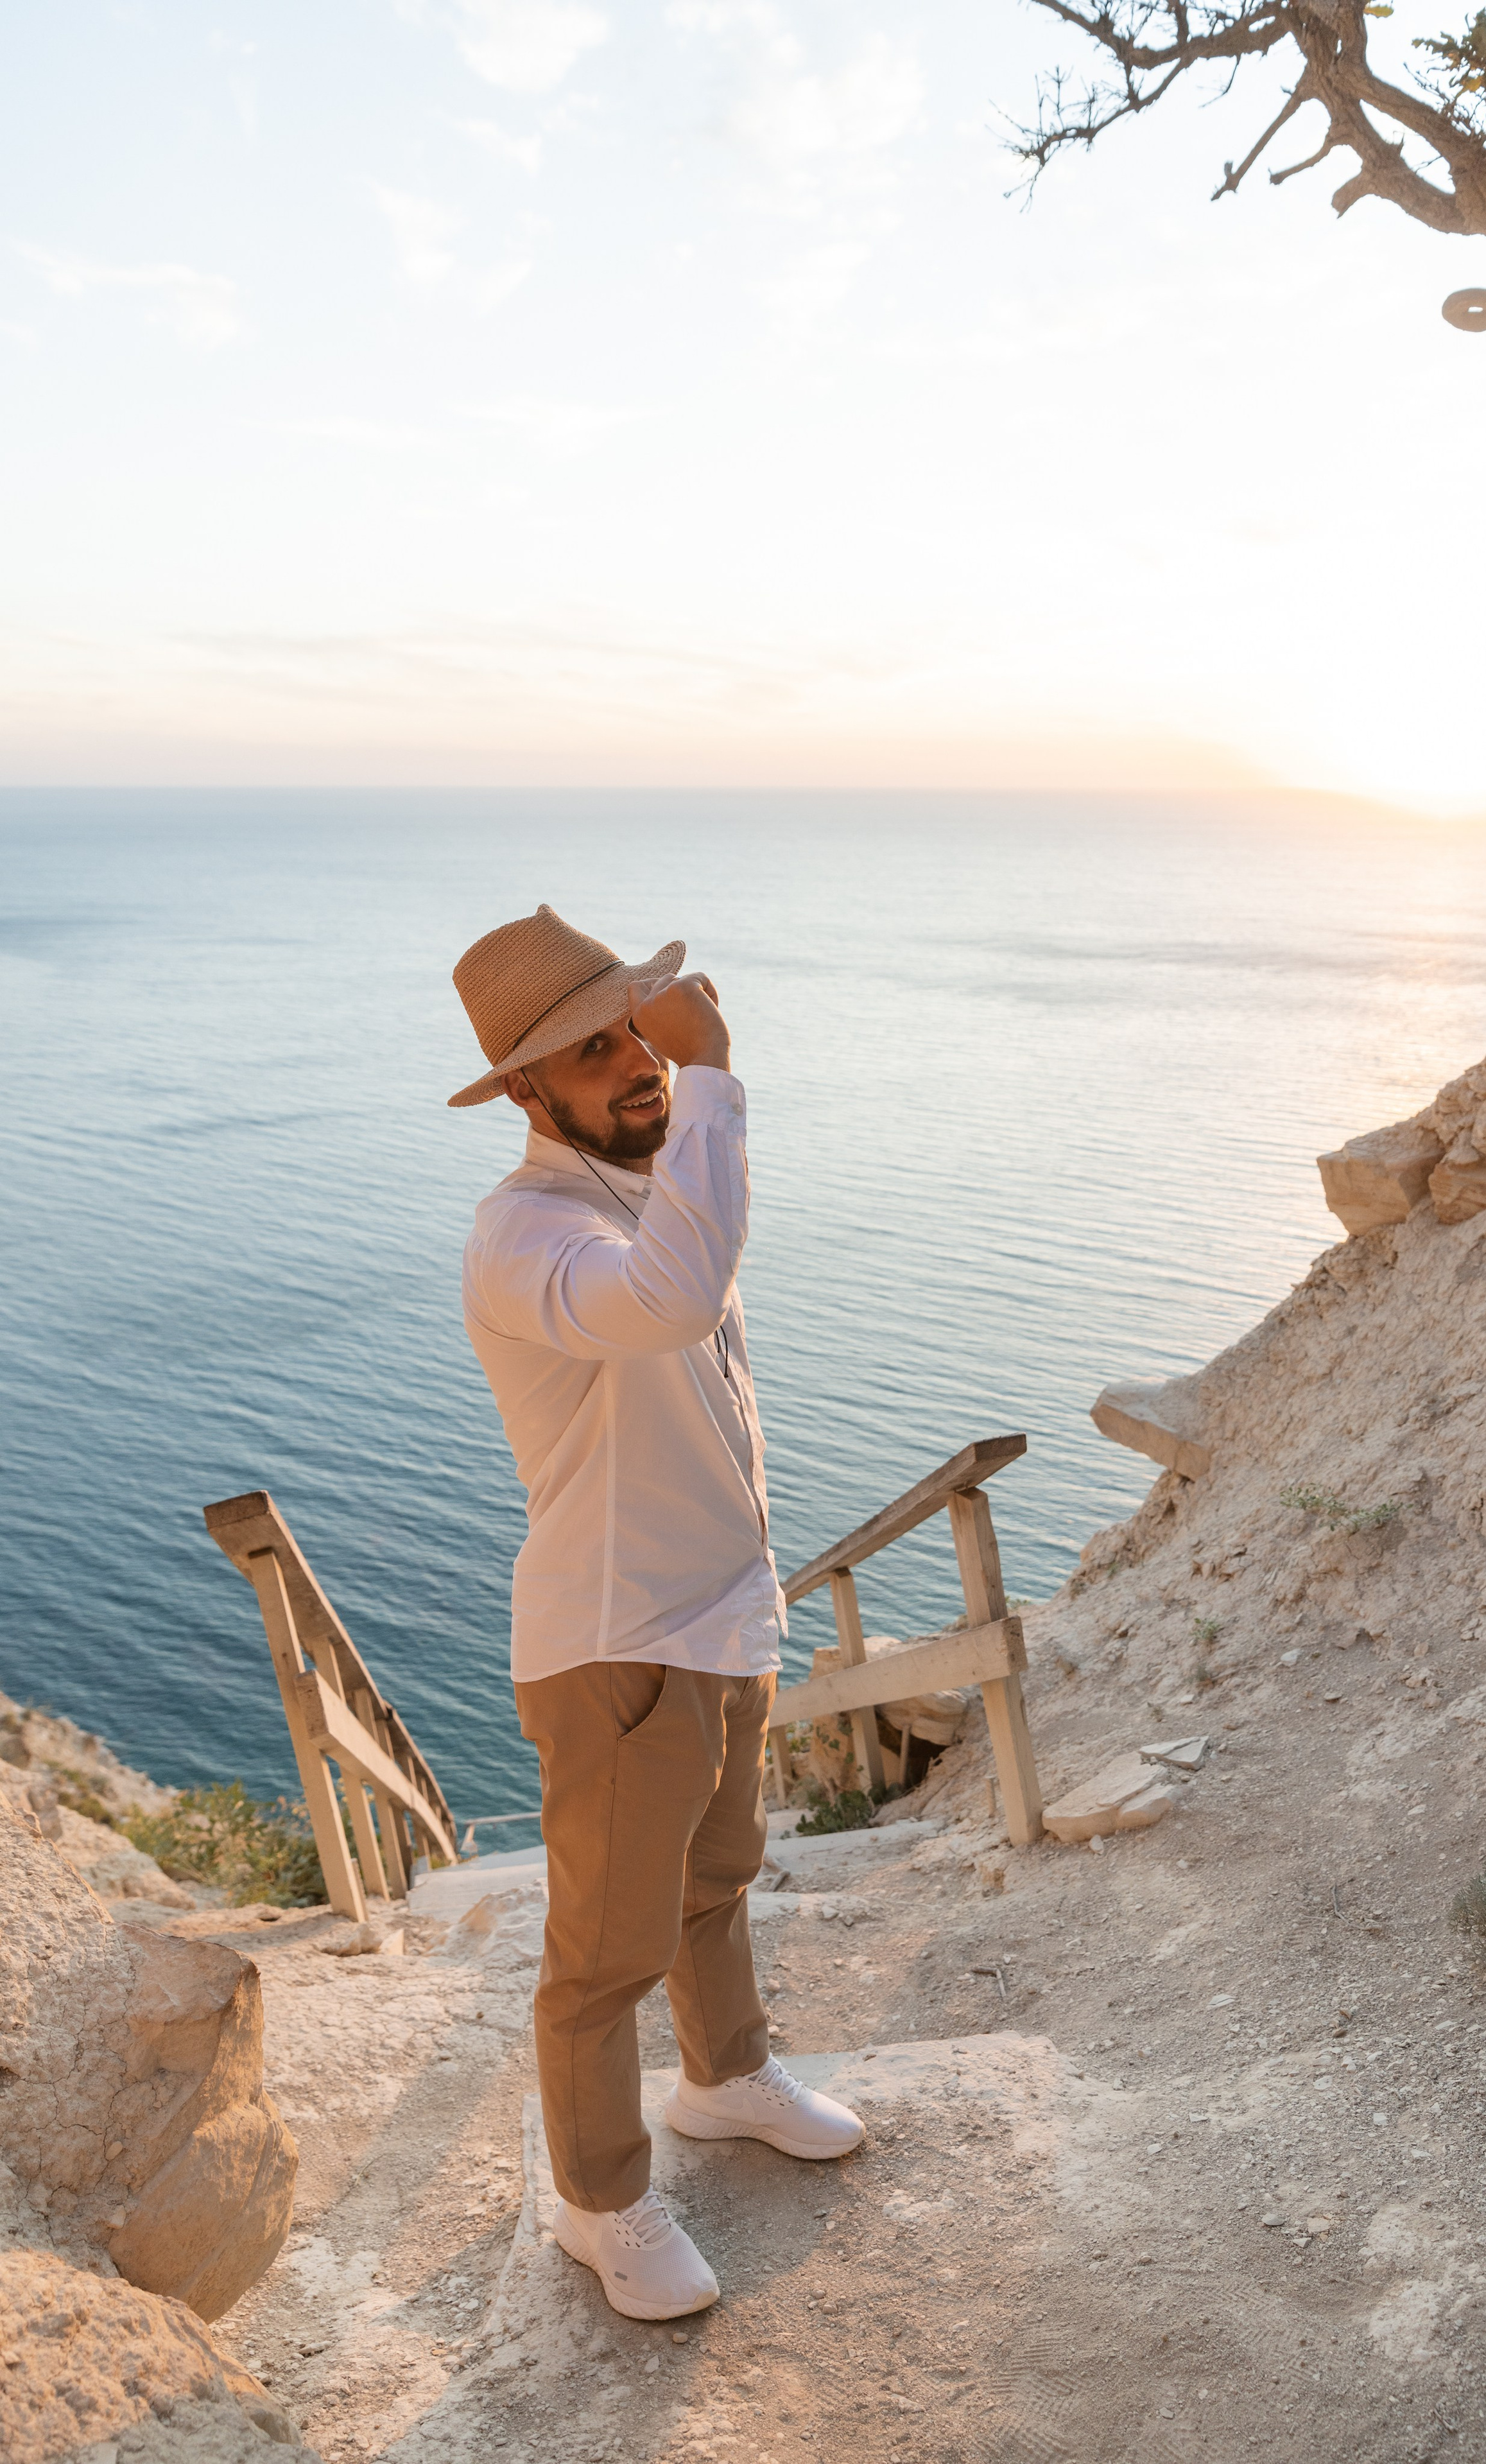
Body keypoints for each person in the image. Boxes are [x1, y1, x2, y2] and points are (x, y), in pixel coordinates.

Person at [447, 900, 863, 2321]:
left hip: (719, 1609)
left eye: (635, 1028)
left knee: (714, 1877)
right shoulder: (524, 1236)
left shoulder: (646, 1180)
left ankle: (723, 2076)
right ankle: (599, 2202)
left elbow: (695, 1301)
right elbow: (678, 1301)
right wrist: (718, 1069)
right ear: (523, 1090)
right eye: (591, 1048)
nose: (636, 1059)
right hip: (617, 1638)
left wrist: (693, 1114)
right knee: (601, 1954)